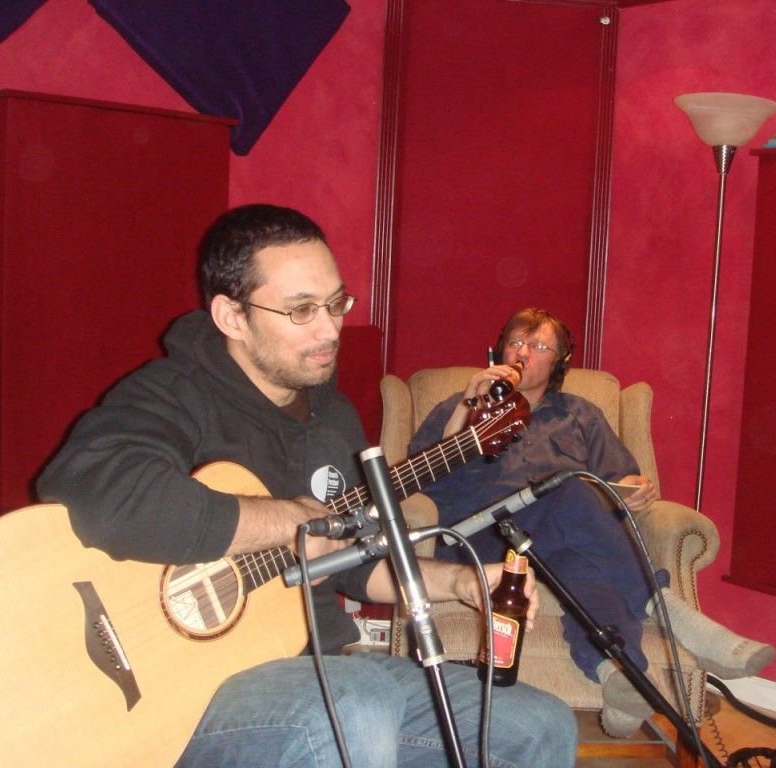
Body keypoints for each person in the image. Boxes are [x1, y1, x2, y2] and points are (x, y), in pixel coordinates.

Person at [37, 205, 576, 768]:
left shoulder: (334, 419)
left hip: (321, 667)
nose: (330, 329)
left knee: (537, 727)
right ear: (232, 316)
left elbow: (355, 564)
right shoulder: (173, 394)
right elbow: (99, 493)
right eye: (301, 310)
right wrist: (288, 521)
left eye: (336, 303)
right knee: (355, 706)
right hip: (184, 691)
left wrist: (463, 581)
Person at [409, 307, 776, 738]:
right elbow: (419, 473)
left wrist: (635, 489)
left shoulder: (579, 415)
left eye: (538, 346)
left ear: (558, 363)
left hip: (556, 539)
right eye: (516, 342)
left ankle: (620, 675)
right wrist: (469, 402)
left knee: (585, 567)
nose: (523, 353)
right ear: (500, 350)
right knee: (567, 489)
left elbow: (619, 480)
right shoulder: (463, 405)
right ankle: (668, 610)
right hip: (481, 536)